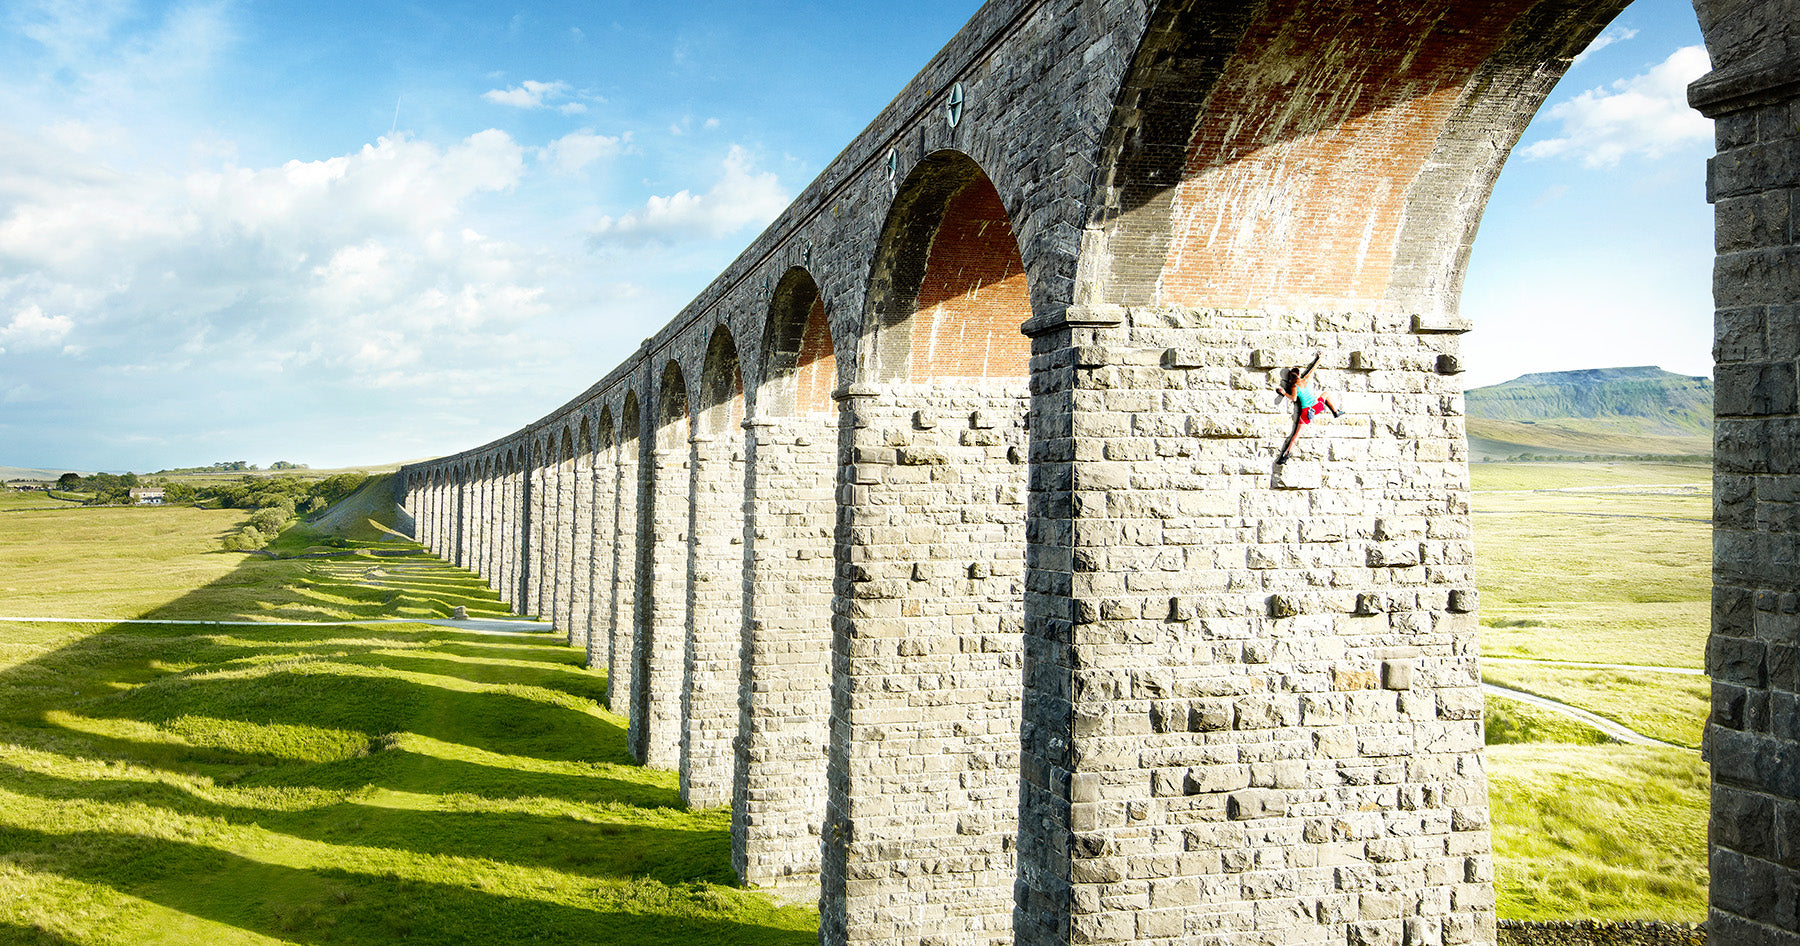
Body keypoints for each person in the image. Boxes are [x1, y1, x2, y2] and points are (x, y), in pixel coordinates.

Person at [1275, 357, 1341, 465]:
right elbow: (1313, 368)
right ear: (1299, 374)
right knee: (1325, 394)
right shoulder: (1306, 378)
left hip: (1306, 412)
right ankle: (1336, 411)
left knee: (1296, 435)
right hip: (1316, 408)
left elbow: (1293, 399)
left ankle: (1285, 455)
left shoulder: (1294, 387)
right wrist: (1319, 358)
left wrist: (1283, 393)